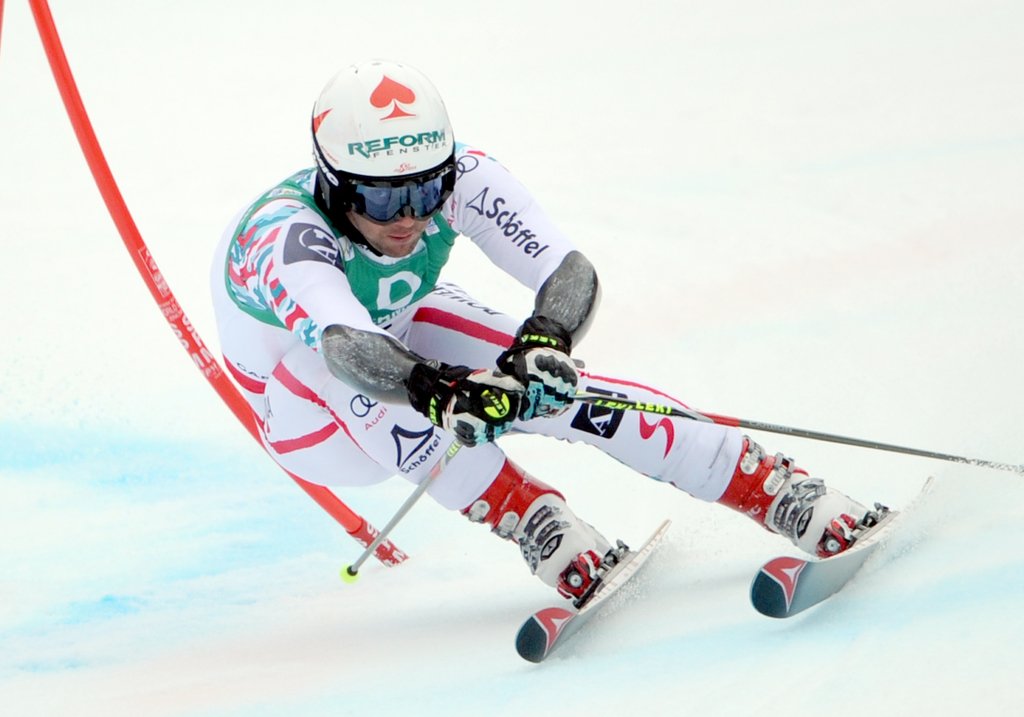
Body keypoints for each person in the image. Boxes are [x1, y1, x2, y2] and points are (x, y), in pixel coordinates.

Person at [210, 59, 881, 602]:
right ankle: (533, 518)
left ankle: (771, 486)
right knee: (326, 365)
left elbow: (567, 269)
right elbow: (345, 344)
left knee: (553, 386)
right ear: (335, 185)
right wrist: (440, 390)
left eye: (428, 190)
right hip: (311, 419)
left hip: (400, 334)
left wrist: (546, 340)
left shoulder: (466, 178)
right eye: (384, 198)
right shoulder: (286, 236)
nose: (410, 216)